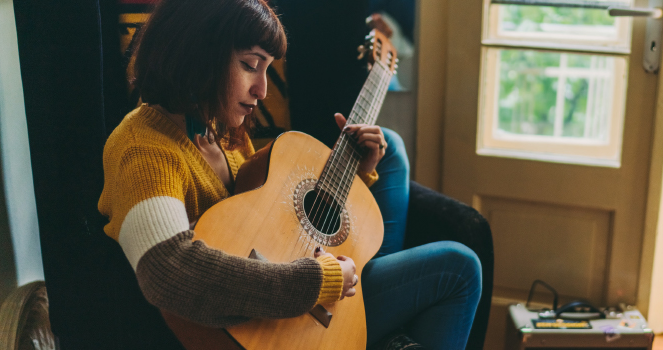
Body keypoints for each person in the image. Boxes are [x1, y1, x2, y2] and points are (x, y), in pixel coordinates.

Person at [97, 0, 482, 349]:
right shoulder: (142, 147)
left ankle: (378, 324)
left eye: (267, 69)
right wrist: (316, 281)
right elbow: (169, 273)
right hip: (284, 315)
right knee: (460, 266)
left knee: (389, 148)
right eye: (250, 65)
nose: (263, 89)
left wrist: (361, 176)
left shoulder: (219, 131)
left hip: (297, 273)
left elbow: (274, 221)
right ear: (199, 55)